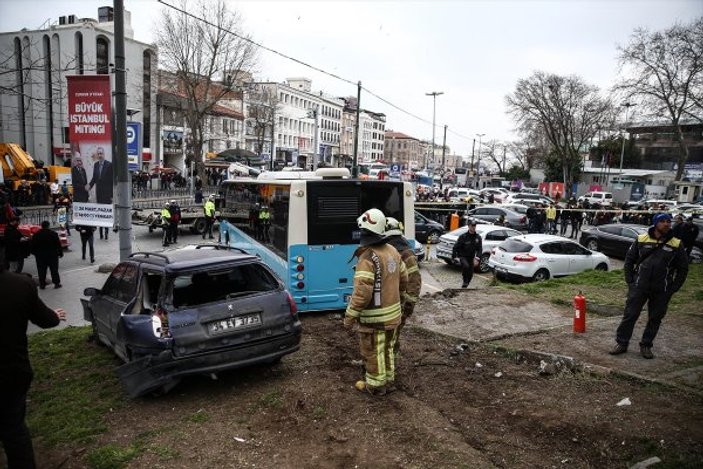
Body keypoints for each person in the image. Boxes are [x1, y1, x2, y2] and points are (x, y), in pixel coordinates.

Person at [0, 249, 65, 469]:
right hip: (11, 372)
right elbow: (46, 320)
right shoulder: (20, 285)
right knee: (14, 430)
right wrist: (55, 316)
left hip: (12, 373)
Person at [343, 209, 408, 396]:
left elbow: (362, 294)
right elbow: (404, 280)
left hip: (374, 320)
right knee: (387, 349)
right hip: (394, 315)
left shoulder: (367, 257)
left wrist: (349, 316)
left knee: (373, 352)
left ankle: (376, 386)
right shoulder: (394, 251)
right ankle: (388, 379)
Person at [609, 213, 689, 359]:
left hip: (662, 290)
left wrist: (673, 288)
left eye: (668, 221)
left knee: (655, 318)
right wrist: (630, 281)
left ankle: (646, 345)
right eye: (663, 221)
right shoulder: (641, 239)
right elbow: (629, 260)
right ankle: (621, 343)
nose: (667, 224)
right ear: (655, 223)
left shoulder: (676, 244)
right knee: (630, 315)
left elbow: (683, 268)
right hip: (639, 286)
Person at [384, 217, 421, 360]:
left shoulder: (406, 254)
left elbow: (415, 280)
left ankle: (390, 363)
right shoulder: (389, 250)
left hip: (399, 305)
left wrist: (408, 306)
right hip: (389, 303)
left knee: (392, 337)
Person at [31, 220, 63, 289]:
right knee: (54, 270)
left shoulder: (36, 235)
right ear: (48, 226)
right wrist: (60, 253)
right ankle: (56, 283)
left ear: (41, 226)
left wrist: (36, 254)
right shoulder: (53, 234)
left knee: (41, 270)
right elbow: (58, 245)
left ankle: (42, 284)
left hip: (40, 256)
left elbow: (32, 246)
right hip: (52, 255)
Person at [452, 219, 482, 288]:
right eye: (472, 226)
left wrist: (477, 258)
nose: (473, 227)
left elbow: (480, 249)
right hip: (463, 256)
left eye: (474, 226)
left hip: (471, 257)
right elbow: (455, 247)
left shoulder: (478, 237)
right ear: (468, 226)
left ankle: (466, 284)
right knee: (466, 266)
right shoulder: (463, 237)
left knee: (471, 273)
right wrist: (454, 257)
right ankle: (465, 282)